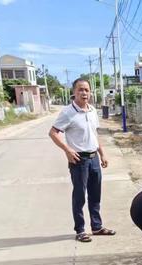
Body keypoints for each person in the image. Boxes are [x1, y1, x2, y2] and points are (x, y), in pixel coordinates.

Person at [49, 78, 115, 242]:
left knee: (95, 195)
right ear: (74, 92)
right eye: (80, 89)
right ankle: (80, 230)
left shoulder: (92, 111)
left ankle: (97, 227)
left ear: (90, 92)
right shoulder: (68, 112)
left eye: (86, 90)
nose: (84, 93)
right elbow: (53, 133)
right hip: (79, 160)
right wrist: (67, 150)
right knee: (79, 196)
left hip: (93, 159)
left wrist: (102, 153)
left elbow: (94, 134)